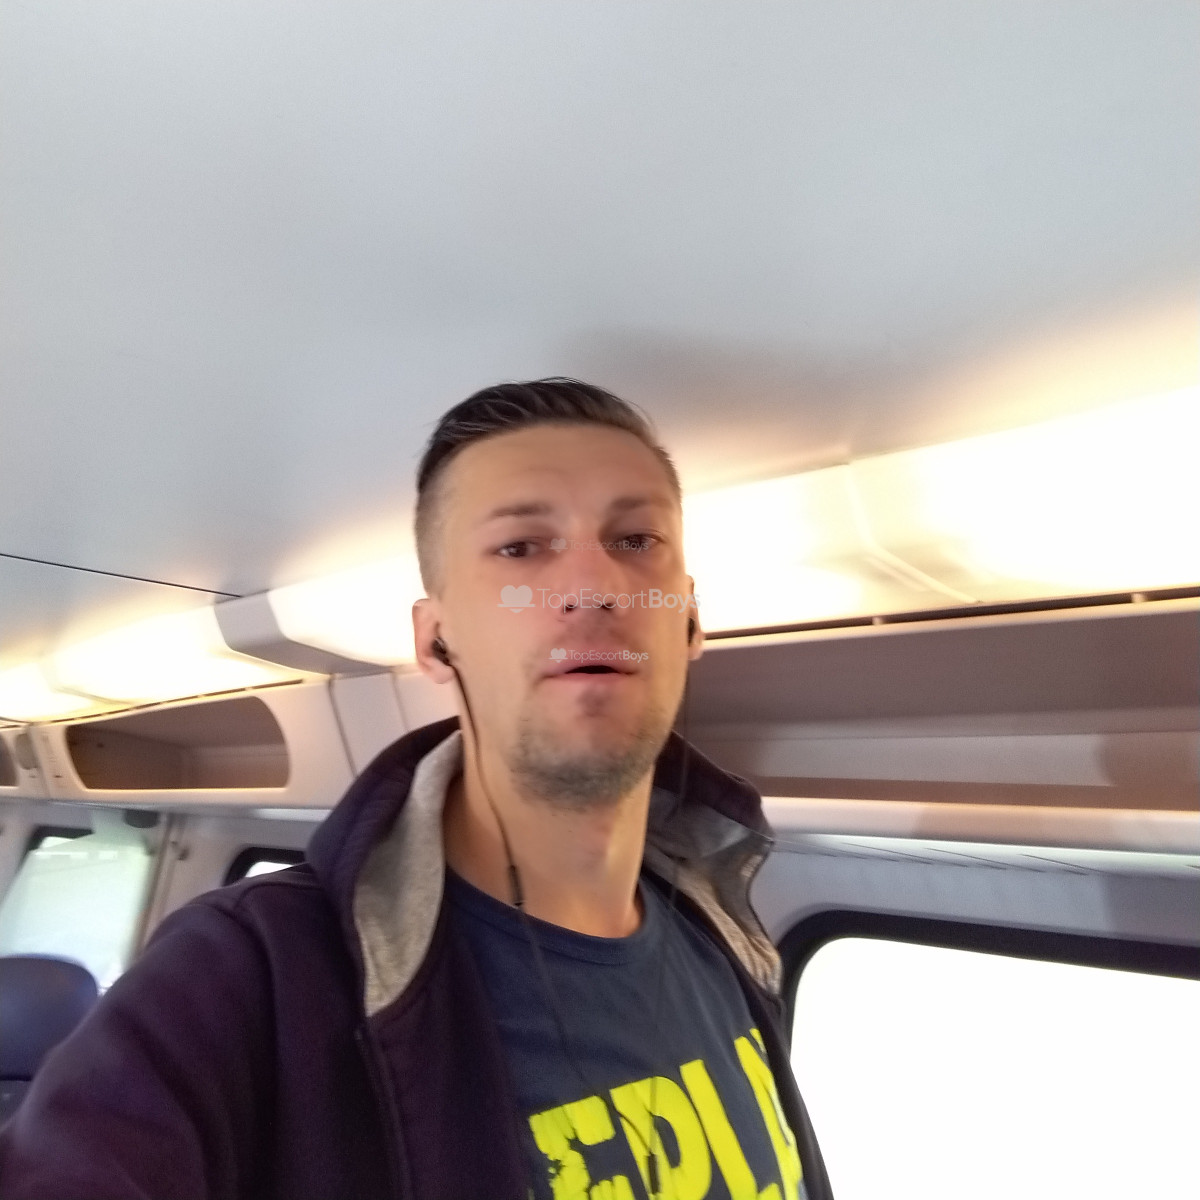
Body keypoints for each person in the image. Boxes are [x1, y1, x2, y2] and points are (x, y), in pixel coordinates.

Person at [0, 378, 832, 1200]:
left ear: (688, 619)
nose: (595, 585)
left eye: (637, 539)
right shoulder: (252, 977)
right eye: (520, 548)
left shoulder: (721, 935)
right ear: (436, 642)